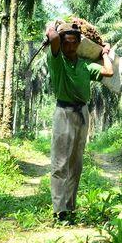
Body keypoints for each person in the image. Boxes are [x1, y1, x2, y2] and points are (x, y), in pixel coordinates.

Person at [45, 17, 114, 223]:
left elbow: (108, 71)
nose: (70, 45)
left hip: (82, 113)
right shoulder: (57, 60)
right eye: (67, 41)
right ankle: (60, 210)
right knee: (60, 163)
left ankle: (71, 207)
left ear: (79, 43)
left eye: (74, 41)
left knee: (76, 163)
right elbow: (54, 37)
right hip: (64, 112)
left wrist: (104, 53)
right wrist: (54, 26)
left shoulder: (85, 65)